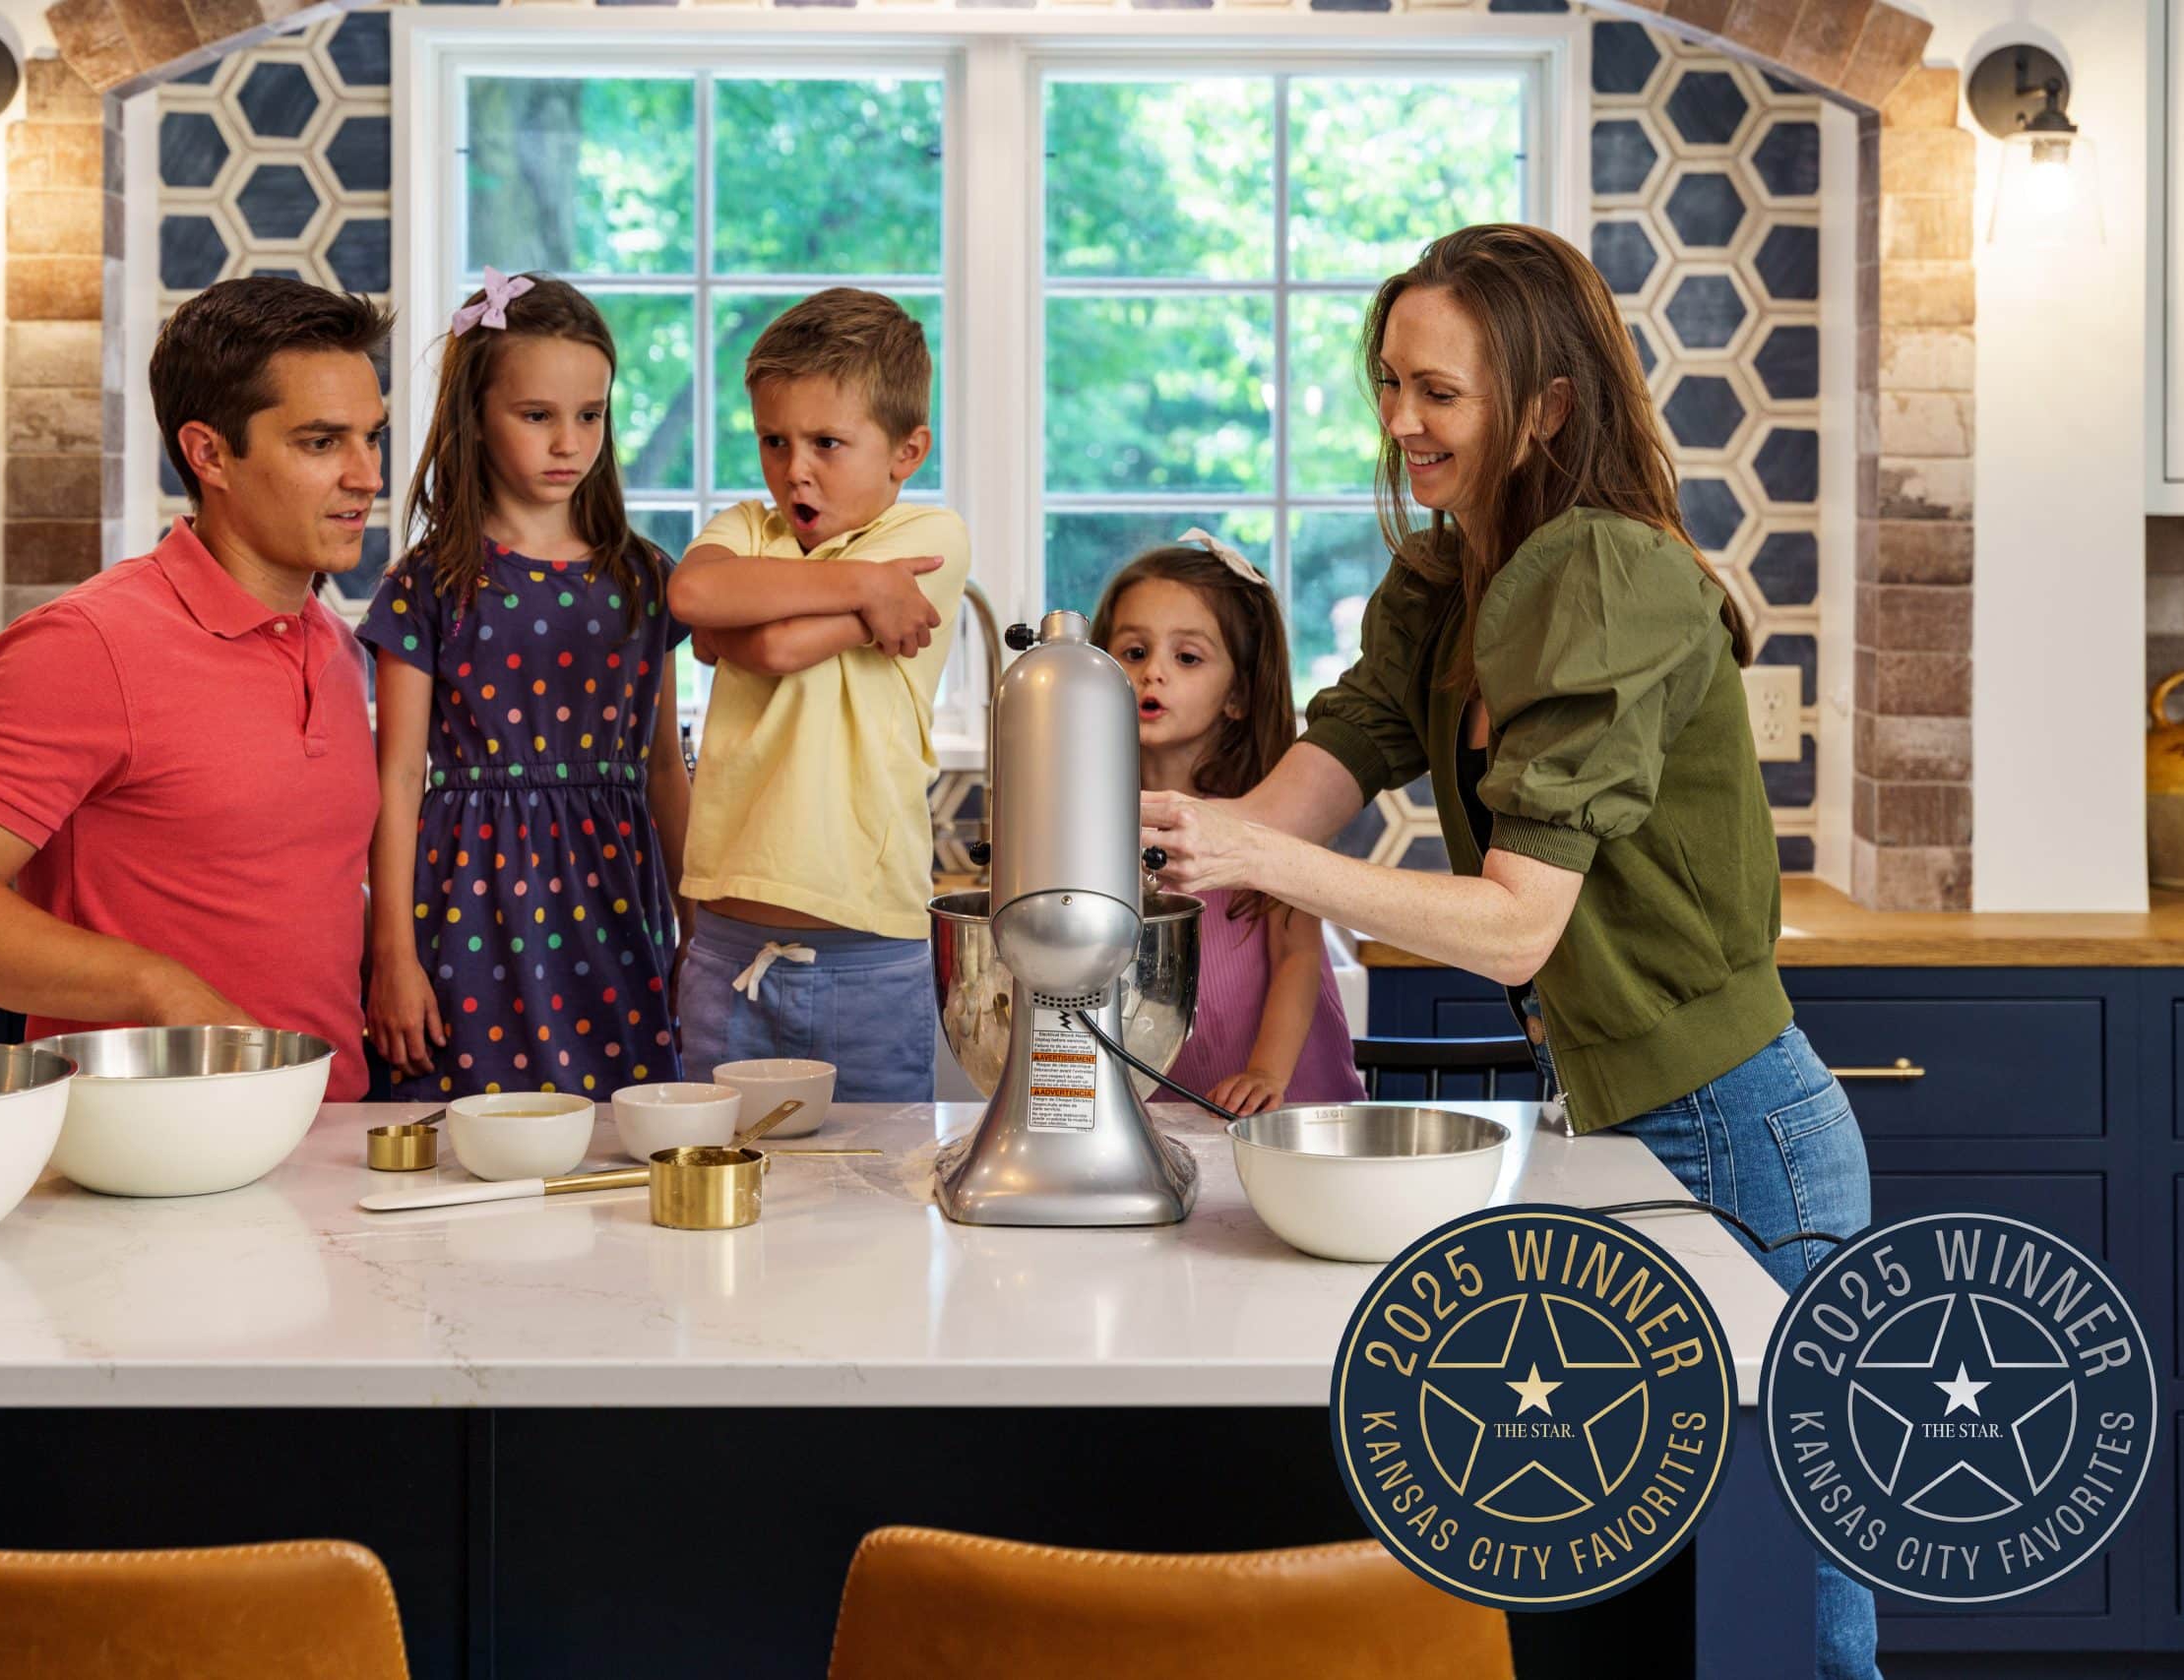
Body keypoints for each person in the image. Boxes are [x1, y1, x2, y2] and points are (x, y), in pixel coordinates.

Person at [1136, 224, 1880, 1679]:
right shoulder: (1452, 575)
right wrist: (1174, 835)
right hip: (1619, 1127)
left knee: (1788, 1632)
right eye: (1389, 385)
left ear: (1542, 403)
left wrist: (1254, 856)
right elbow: (1327, 765)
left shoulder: (1604, 574)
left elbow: (1516, 919)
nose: (1401, 421)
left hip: (1741, 1140)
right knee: (1642, 1602)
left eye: (1440, 392)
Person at [0, 277, 390, 1100]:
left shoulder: (333, 646)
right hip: (144, 1152)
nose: (366, 474)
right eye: (321, 443)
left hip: (324, 1135)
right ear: (209, 452)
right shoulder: (87, 645)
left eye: (371, 437)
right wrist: (158, 989)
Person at [360, 271, 692, 1102]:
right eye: (537, 415)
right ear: (476, 416)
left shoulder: (646, 578)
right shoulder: (427, 584)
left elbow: (663, 771)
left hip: (616, 899)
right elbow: (397, 779)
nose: (569, 443)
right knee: (467, 1136)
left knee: (620, 1141)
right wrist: (392, 952)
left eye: (591, 415)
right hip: (470, 898)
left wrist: (699, 936)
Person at [664, 288, 970, 1103]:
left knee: (873, 1198)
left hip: (867, 955)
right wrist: (865, 588)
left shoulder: (929, 538)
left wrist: (746, 622)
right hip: (728, 949)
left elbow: (774, 644)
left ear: (907, 452)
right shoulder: (743, 525)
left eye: (827, 442)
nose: (794, 469)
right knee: (719, 1185)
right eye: (774, 440)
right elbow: (691, 600)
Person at [1092, 532, 1362, 1115]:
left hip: (1284, 1104)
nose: (1152, 674)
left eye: (1186, 657)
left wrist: (1266, 1072)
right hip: (1161, 1107)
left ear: (1237, 694)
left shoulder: (1275, 815)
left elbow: (1296, 956)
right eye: (1134, 653)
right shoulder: (1090, 822)